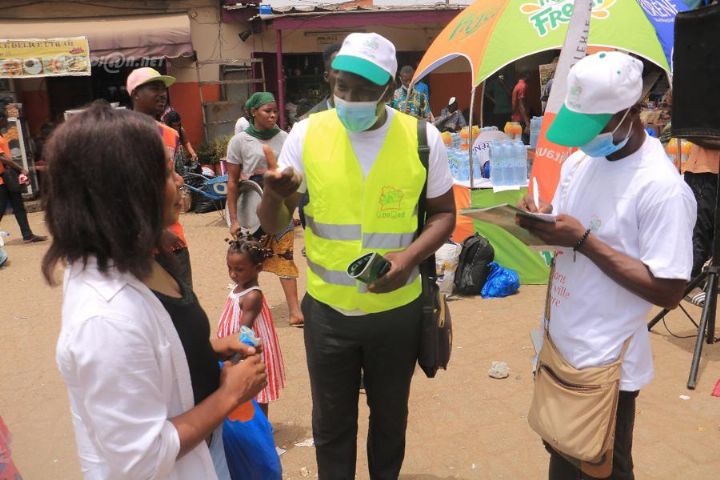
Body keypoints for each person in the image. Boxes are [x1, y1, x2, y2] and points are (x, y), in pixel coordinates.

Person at [257, 32, 456, 479]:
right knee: (331, 425)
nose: (350, 98)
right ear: (331, 79)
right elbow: (274, 225)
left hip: (396, 314)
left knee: (390, 421)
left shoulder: (423, 139)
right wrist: (273, 197)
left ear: (389, 90)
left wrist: (407, 259)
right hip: (328, 315)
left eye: (364, 91)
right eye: (342, 87)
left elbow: (444, 215)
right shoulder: (306, 136)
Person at [44, 102, 267, 478]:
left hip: (205, 449)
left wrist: (208, 348)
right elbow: (141, 459)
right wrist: (229, 395)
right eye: (167, 173)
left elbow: (153, 352)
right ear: (127, 192)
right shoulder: (104, 319)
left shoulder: (145, 250)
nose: (180, 181)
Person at [517, 52, 696, 480]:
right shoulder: (581, 162)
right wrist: (540, 217)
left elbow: (669, 291)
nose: (581, 141)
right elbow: (564, 224)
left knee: (601, 470)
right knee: (561, 462)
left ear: (628, 113)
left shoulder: (660, 188)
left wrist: (582, 240)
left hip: (607, 367)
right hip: (561, 348)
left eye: (591, 127)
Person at [226, 92, 304, 327]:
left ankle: (294, 311)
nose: (272, 115)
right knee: (250, 259)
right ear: (253, 112)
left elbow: (295, 175)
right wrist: (234, 219)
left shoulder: (285, 137)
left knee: (285, 254)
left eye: (274, 111)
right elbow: (232, 181)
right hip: (251, 207)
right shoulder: (239, 141)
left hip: (279, 205)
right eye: (266, 111)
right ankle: (249, 305)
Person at [127, 67, 194, 287]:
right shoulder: (119, 134)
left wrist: (177, 181)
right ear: (136, 93)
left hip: (173, 238)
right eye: (154, 88)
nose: (162, 93)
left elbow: (169, 174)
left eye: (164, 88)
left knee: (184, 306)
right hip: (137, 242)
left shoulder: (170, 134)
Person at [217, 236, 285, 419]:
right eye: (229, 268)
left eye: (239, 269)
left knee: (258, 394)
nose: (232, 274)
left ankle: (262, 429)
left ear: (258, 268)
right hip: (238, 347)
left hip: (248, 349)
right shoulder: (238, 287)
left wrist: (234, 359)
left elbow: (244, 331)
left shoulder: (252, 296)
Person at [0, 107, 46, 243]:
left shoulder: (1, 135)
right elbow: (2, 158)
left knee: (19, 206)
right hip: (1, 180)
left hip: (7, 177)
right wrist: (21, 168)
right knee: (1, 208)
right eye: (4, 119)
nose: (7, 122)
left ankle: (27, 235)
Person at [683, 144, 720, 278]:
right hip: (704, 170)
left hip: (705, 169)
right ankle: (692, 277)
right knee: (701, 227)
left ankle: (709, 275)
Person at [301, 43, 342, 119]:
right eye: (339, 70)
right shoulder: (308, 122)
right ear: (326, 76)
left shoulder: (366, 117)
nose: (346, 76)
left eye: (350, 71)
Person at [511, 71, 530, 135]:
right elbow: (521, 105)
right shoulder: (523, 86)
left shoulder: (517, 86)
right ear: (527, 75)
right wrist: (527, 123)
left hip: (516, 119)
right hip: (521, 120)